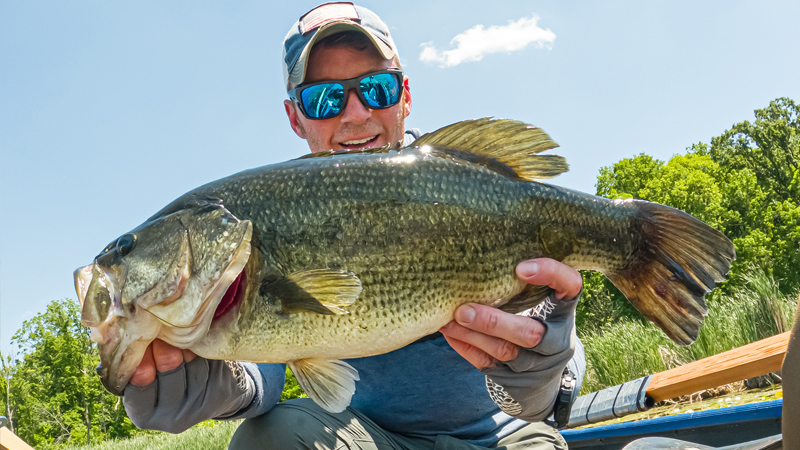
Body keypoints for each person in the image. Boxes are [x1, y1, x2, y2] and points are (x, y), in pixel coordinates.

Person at [122, 3, 586, 449]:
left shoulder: (472, 190)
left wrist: (541, 372)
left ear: (405, 94)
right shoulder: (277, 212)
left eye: (377, 88)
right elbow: (267, 363)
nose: (357, 114)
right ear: (295, 117)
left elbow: (539, 388)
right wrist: (217, 383)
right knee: (268, 438)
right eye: (324, 98)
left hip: (506, 437)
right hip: (372, 440)